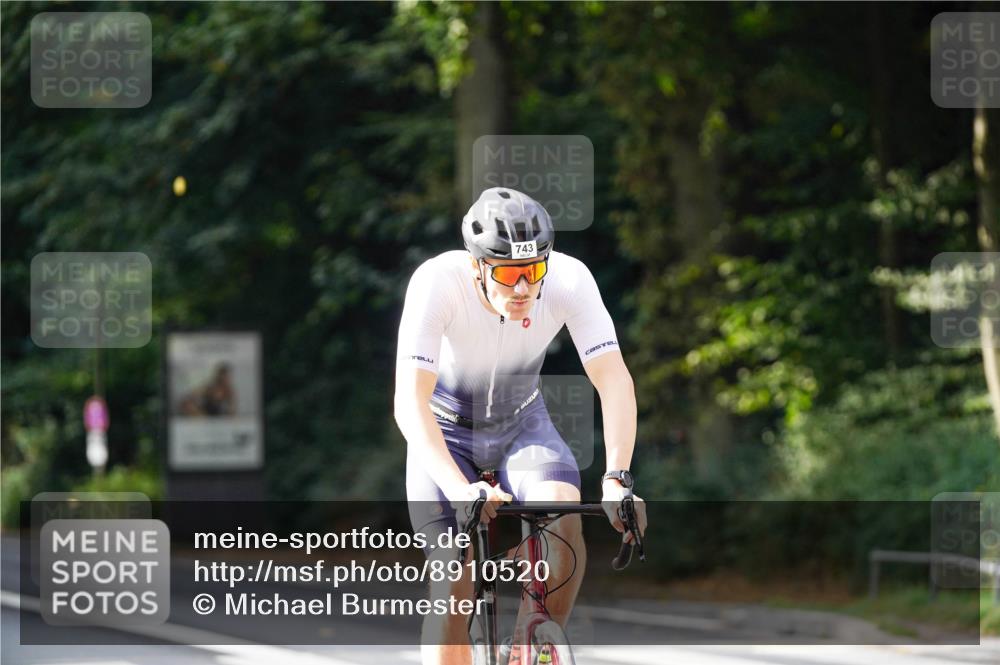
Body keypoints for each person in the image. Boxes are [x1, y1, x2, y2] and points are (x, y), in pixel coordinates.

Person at [395, 187, 647, 665]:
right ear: (477, 268)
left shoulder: (570, 279)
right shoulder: (437, 282)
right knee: (454, 576)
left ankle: (529, 645)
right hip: (446, 434)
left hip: (520, 425)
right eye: (509, 274)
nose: (524, 288)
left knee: (564, 513)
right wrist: (458, 486)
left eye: (533, 271)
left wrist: (618, 477)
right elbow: (410, 402)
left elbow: (613, 378)